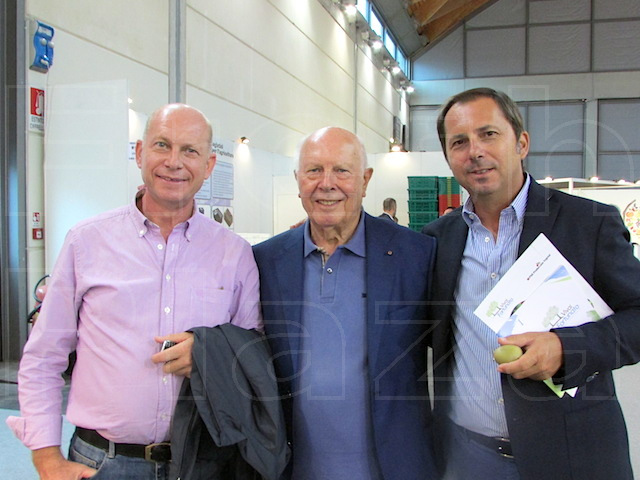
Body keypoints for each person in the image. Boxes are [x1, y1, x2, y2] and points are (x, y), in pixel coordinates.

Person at [7, 103, 262, 479]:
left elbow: (253, 353)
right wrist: (46, 458)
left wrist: (210, 352)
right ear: (140, 153)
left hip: (202, 462)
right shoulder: (86, 241)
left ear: (209, 166)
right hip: (102, 463)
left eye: (190, 150)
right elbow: (44, 356)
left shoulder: (235, 254)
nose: (174, 162)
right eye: (162, 145)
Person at [422, 87, 640, 480]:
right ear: (449, 157)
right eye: (459, 142)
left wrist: (566, 348)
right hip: (467, 458)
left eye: (489, 134)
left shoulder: (587, 224)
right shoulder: (437, 239)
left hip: (571, 456)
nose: (475, 151)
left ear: (521, 143)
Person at [253, 127, 439, 479]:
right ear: (298, 181)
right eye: (314, 170)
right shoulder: (266, 260)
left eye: (342, 170)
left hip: (394, 468)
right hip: (294, 468)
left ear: (365, 180)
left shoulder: (415, 254)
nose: (327, 184)